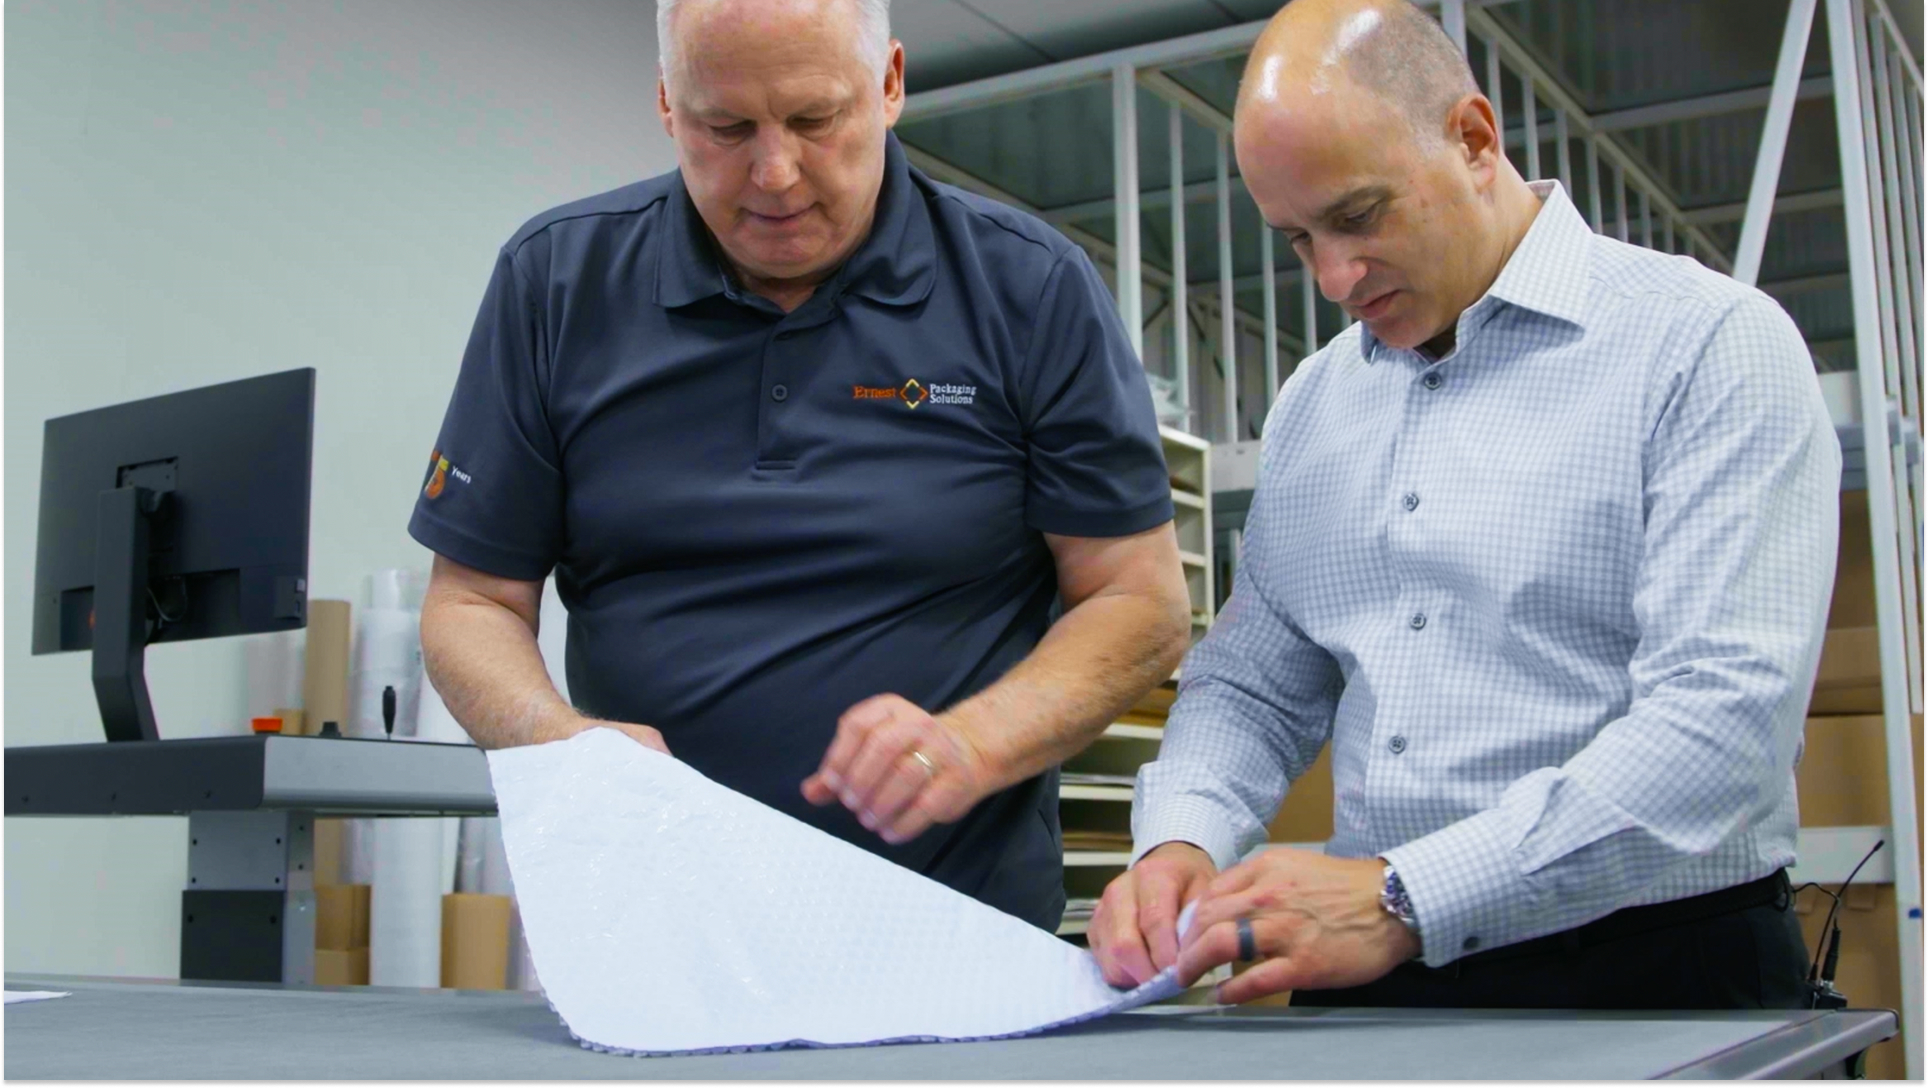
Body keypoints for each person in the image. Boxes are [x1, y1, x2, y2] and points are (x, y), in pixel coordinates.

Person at [1090, 0, 1840, 1008]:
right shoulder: (1316, 400)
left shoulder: (1703, 345)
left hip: (1653, 967)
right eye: (1294, 238)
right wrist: (1178, 834)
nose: (1332, 278)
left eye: (1356, 217)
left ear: (1473, 138)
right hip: (1371, 971)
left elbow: (1717, 733)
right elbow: (1254, 683)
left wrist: (1406, 897)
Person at [411, 0, 1192, 932]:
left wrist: (974, 742)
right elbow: (469, 605)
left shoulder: (1031, 289)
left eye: (816, 120)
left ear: (891, 84)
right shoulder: (554, 284)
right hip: (655, 930)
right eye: (725, 127)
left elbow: (1138, 603)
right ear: (667, 104)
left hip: (954, 934)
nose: (774, 174)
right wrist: (561, 741)